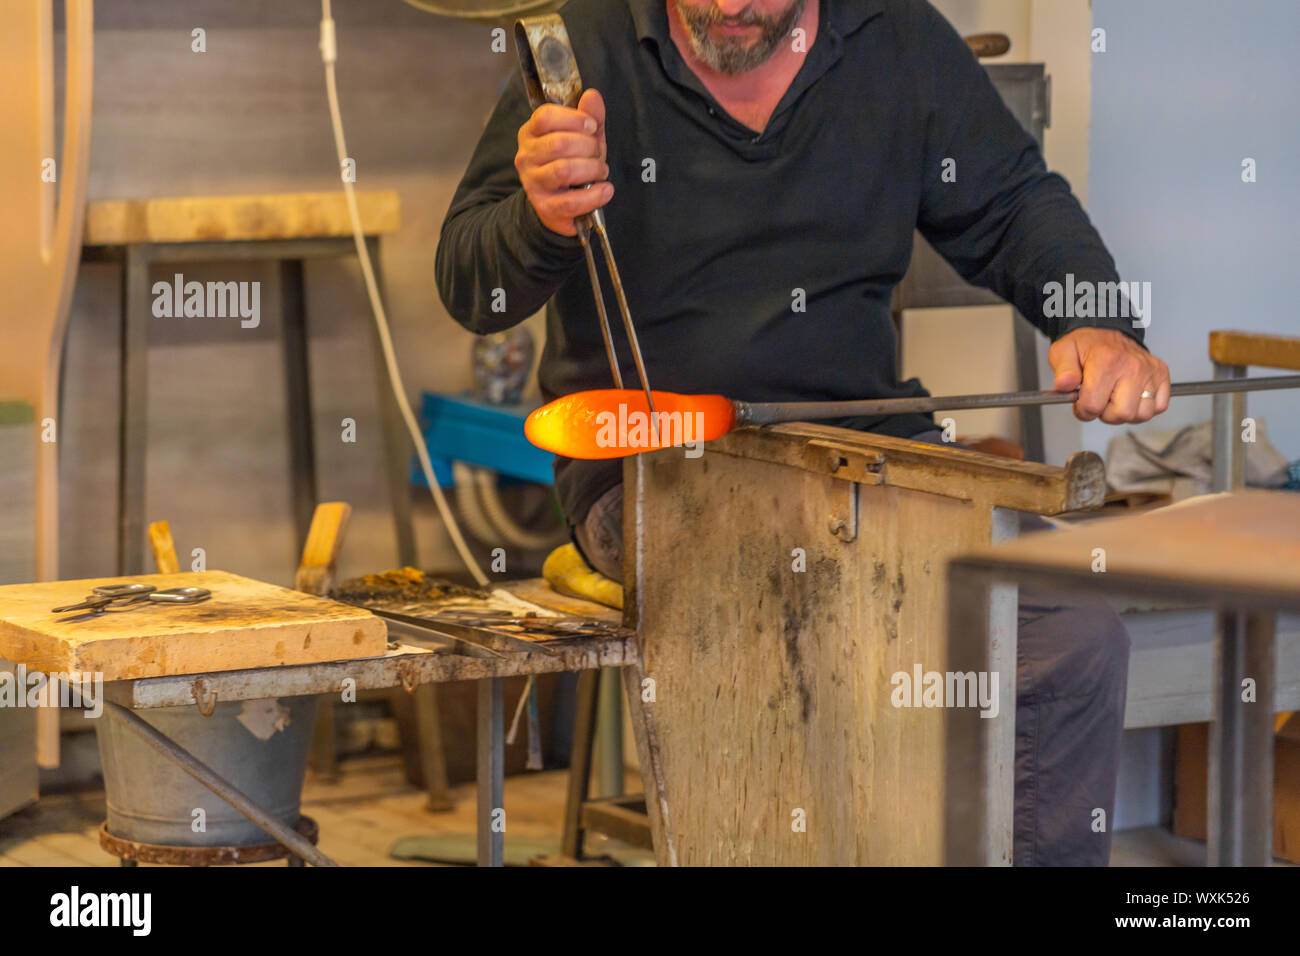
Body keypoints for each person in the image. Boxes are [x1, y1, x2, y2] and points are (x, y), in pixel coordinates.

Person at [436, 0, 1172, 865]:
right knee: (804, 626)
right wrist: (538, 216)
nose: (735, 8)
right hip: (656, 471)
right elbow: (470, 286)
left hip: (867, 456)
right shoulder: (586, 45)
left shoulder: (894, 38)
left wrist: (1100, 321)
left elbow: (1013, 204)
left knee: (1068, 638)